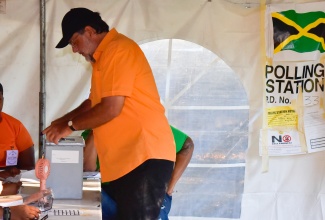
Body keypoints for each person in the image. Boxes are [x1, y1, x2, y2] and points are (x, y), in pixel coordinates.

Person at [42, 7, 176, 219]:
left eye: (74, 42)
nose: (75, 50)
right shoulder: (102, 59)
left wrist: (69, 127)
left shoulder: (118, 49)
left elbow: (111, 109)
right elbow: (93, 103)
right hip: (125, 163)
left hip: (143, 158)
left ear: (89, 31)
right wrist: (61, 120)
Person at [82, 125, 194, 220]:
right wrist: (97, 130)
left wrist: (170, 187)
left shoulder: (148, 125)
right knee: (84, 192)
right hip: (108, 191)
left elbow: (187, 145)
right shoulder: (93, 132)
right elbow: (88, 172)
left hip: (147, 190)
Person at [0, 83, 35, 196]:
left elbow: (28, 166)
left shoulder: (15, 125)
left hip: (9, 179)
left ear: (3, 100)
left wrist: (13, 171)